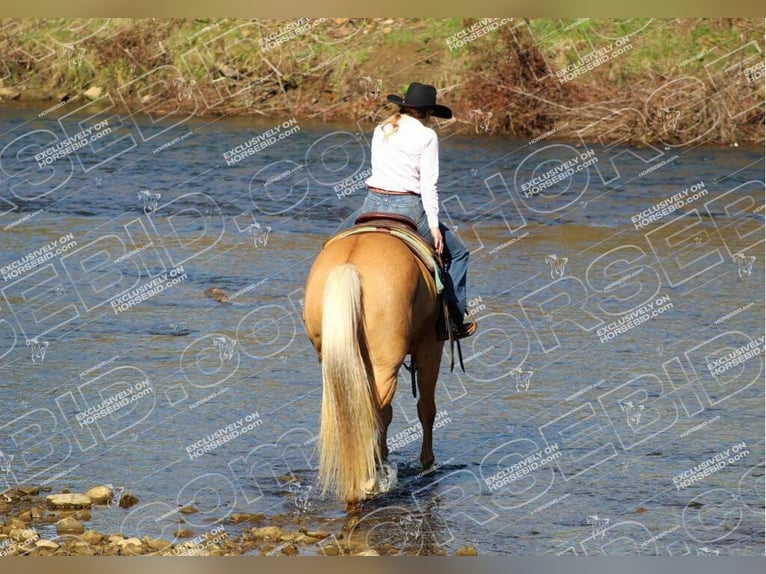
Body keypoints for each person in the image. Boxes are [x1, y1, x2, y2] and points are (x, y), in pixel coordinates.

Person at [338, 82, 476, 339]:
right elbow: (428, 184)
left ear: (404, 106)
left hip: (372, 202)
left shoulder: (382, 129)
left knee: (332, 246)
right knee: (458, 254)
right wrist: (433, 226)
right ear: (427, 113)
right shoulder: (427, 136)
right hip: (409, 207)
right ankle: (453, 322)